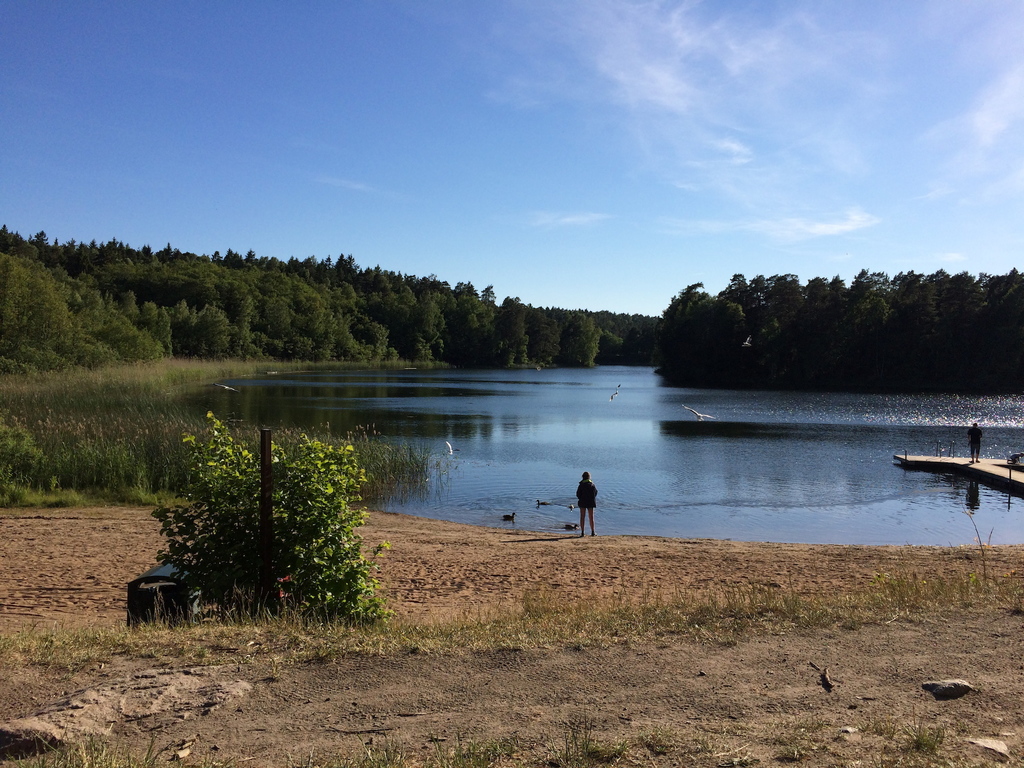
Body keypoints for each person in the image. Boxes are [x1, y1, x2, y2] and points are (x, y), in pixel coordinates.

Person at [576, 471, 597, 537]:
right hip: (591, 502)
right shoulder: (592, 485)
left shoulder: (581, 485)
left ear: (583, 477)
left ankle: (582, 532)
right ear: (589, 477)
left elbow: (578, 494)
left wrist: (581, 498)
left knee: (582, 517)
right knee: (591, 517)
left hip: (582, 502)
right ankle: (593, 532)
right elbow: (595, 493)